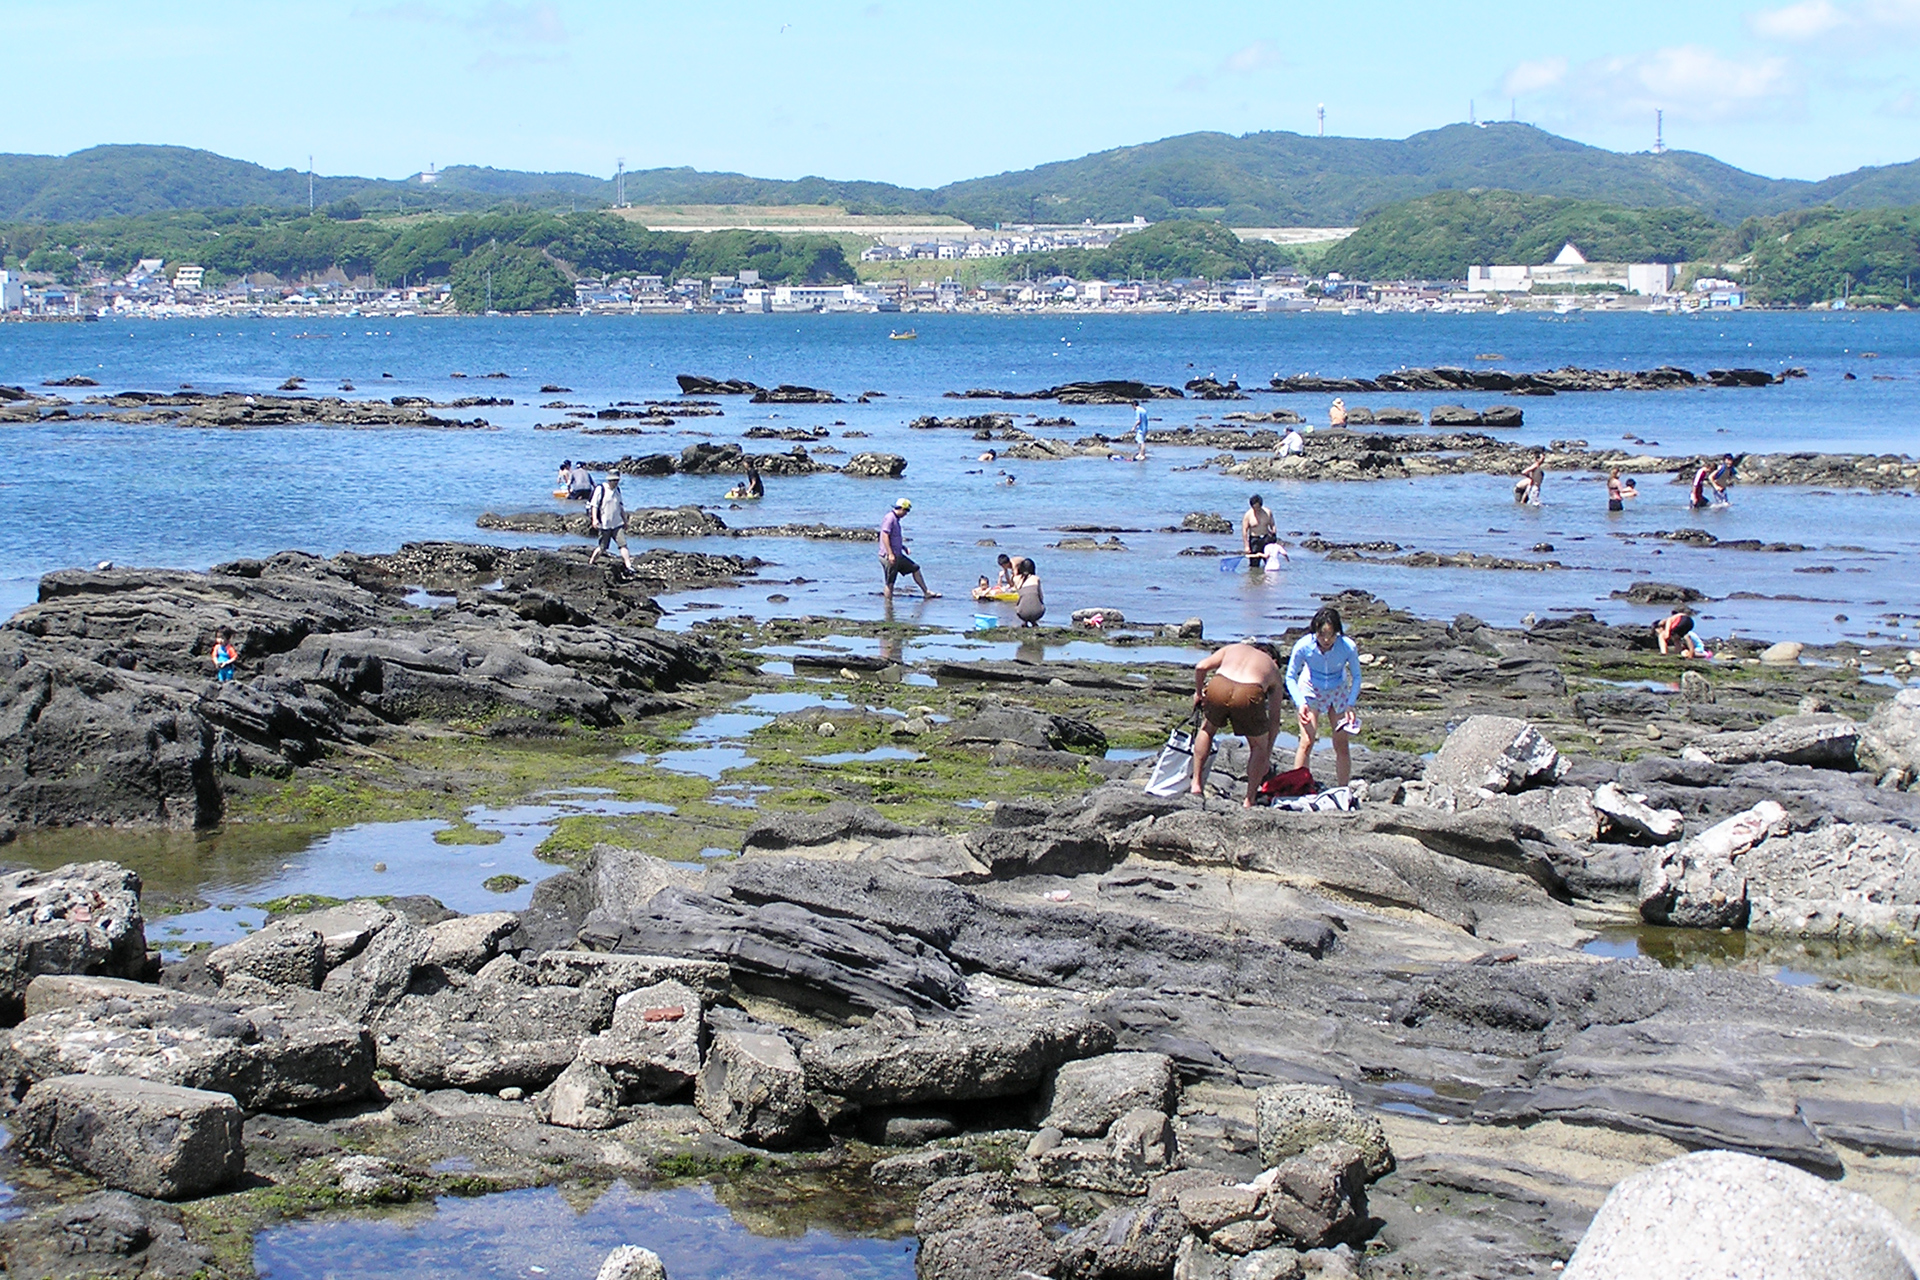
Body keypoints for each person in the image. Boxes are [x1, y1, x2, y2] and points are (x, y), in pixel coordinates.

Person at [1189, 640, 1287, 808]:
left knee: (1207, 729)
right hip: (1249, 692)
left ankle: (1196, 784)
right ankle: (1249, 799)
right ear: (1275, 660)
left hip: (1220, 684)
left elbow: (1201, 667)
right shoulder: (1273, 668)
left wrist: (1198, 693)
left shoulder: (1234, 648)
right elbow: (1274, 720)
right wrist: (1266, 756)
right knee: (1258, 747)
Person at [1287, 605, 1363, 787]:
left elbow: (1357, 676)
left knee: (1341, 744)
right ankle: (1299, 788)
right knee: (1307, 740)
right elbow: (1290, 676)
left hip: (1338, 689)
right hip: (1311, 688)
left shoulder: (1347, 647)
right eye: (1322, 634)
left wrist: (1350, 704)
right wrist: (1301, 702)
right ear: (1315, 632)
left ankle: (1343, 789)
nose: (1327, 640)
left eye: (1331, 634)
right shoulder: (1304, 646)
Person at [878, 497, 939, 600]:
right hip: (889, 556)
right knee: (890, 582)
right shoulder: (890, 518)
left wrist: (903, 547)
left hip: (898, 555)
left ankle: (926, 592)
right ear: (901, 508)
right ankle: (888, 606)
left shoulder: (896, 519)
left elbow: (893, 538)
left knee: (915, 568)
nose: (906, 514)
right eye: (906, 511)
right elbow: (884, 535)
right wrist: (890, 554)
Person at [588, 472, 635, 573]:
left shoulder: (617, 490)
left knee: (623, 545)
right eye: (613, 481)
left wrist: (625, 521)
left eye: (617, 480)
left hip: (617, 524)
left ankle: (628, 565)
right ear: (609, 480)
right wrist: (594, 519)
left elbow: (620, 507)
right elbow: (594, 505)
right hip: (604, 524)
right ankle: (591, 562)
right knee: (602, 548)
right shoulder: (601, 489)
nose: (615, 483)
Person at [1241, 494, 1286, 565]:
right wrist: (1246, 546)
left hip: (1266, 538)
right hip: (1255, 539)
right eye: (1254, 507)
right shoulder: (1248, 515)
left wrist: (1274, 533)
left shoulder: (1268, 512)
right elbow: (1244, 531)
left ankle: (1268, 575)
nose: (1256, 510)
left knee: (1269, 561)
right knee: (1254, 564)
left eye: (1258, 507)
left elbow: (1272, 524)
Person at [1014, 557, 1045, 627]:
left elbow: (1020, 595)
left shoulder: (1016, 579)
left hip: (1022, 613)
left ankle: (1025, 622)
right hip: (1038, 613)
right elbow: (1041, 597)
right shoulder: (1036, 578)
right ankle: (1033, 621)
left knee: (1021, 602)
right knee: (1035, 601)